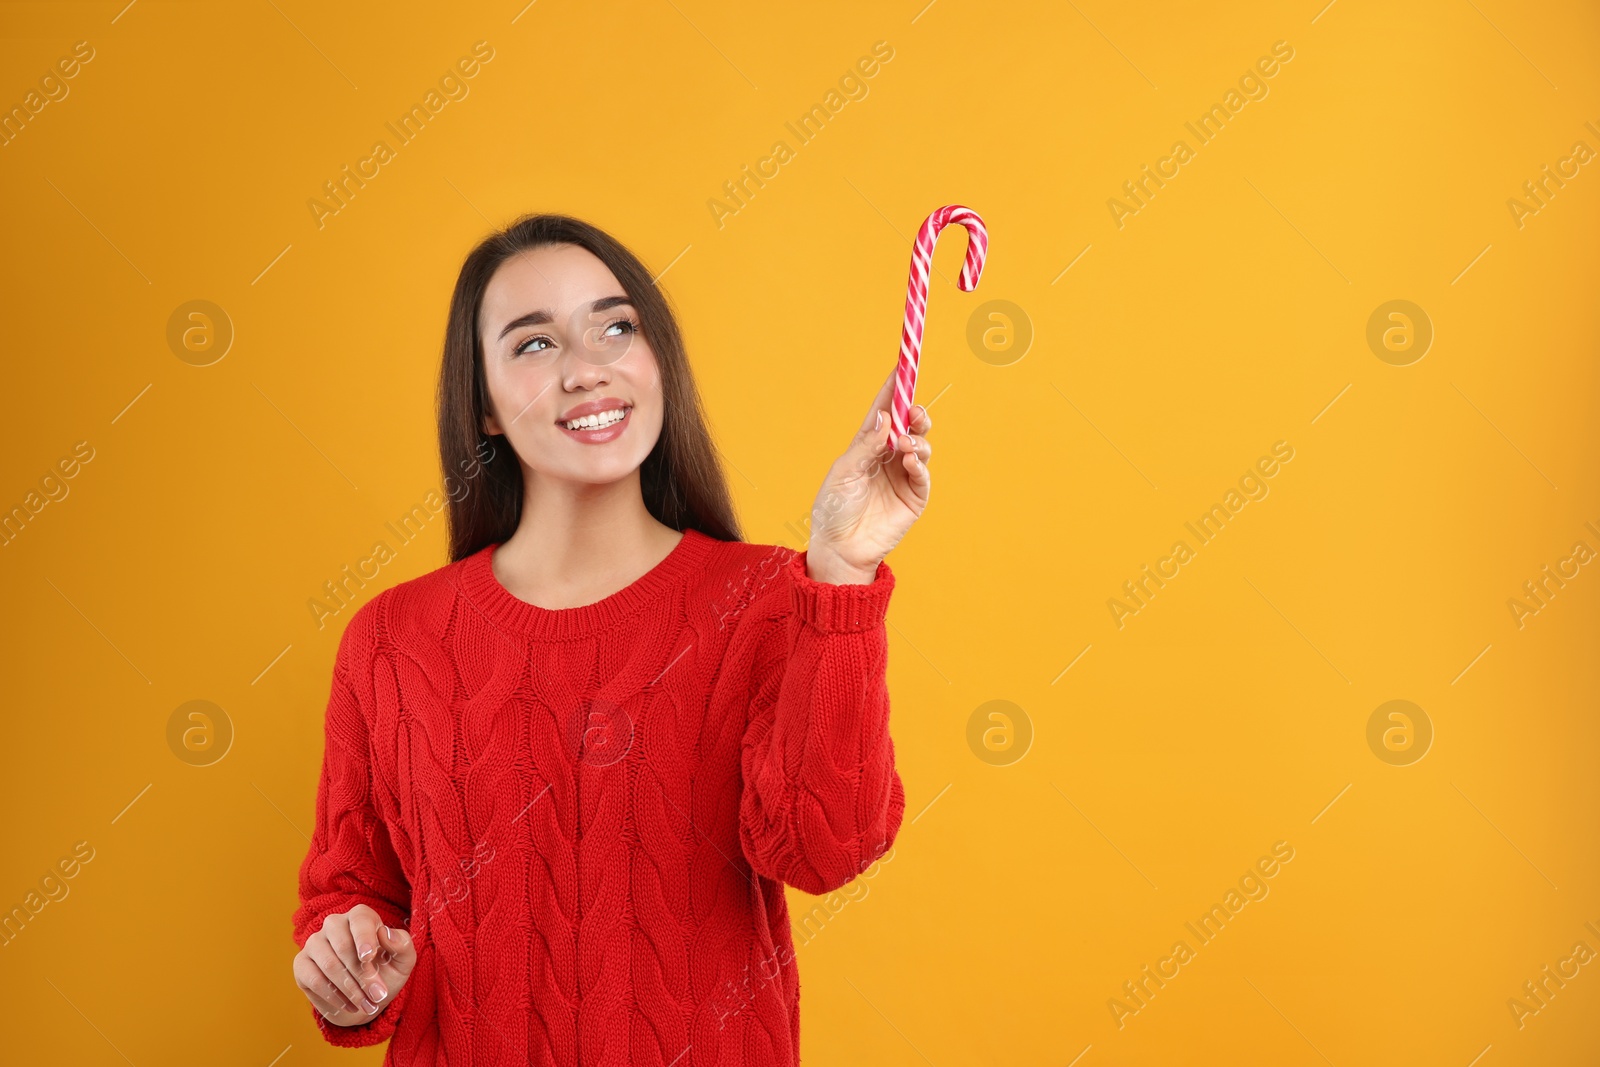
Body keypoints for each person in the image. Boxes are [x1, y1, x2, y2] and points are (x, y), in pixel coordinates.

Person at [288, 213, 935, 1065]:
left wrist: (844, 571)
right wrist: (346, 964)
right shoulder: (390, 640)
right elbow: (351, 899)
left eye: (616, 327)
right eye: (533, 345)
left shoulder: (775, 599)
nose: (586, 370)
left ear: (655, 360)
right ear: (479, 403)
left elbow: (827, 846)